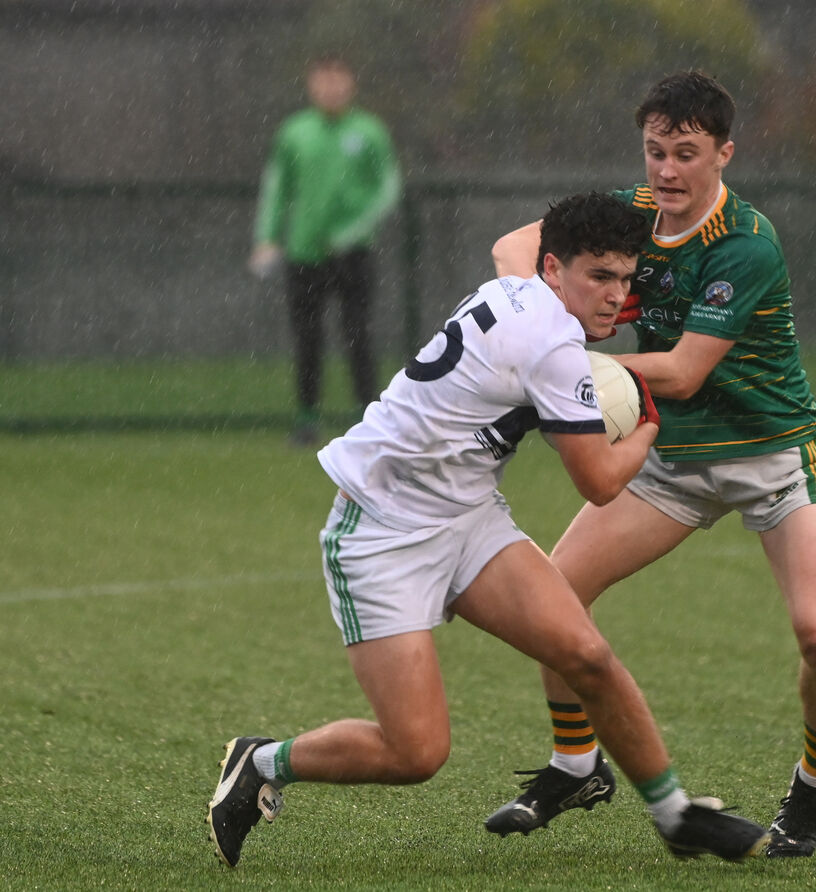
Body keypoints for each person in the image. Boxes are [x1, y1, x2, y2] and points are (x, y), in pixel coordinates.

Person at [207, 192, 770, 869]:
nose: (614, 298)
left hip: (466, 516)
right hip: (381, 532)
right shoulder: (552, 346)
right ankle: (262, 761)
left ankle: (676, 815)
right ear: (556, 269)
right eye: (600, 278)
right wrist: (646, 422)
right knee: (416, 753)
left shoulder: (520, 288)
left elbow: (513, 249)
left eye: (626, 279)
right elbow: (598, 483)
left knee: (585, 654)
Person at [485, 72, 816, 859]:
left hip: (774, 458)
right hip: (672, 462)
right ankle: (574, 764)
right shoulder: (636, 214)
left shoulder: (745, 243)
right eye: (656, 152)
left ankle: (813, 784)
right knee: (555, 599)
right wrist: (551, 319)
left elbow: (686, 371)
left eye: (686, 154)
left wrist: (575, 363)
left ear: (724, 153)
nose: (667, 171)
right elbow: (514, 249)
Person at [249, 54, 401, 446]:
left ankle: (368, 422)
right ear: (311, 85)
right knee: (307, 337)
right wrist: (267, 237)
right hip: (305, 254)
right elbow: (277, 188)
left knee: (357, 334)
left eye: (338, 80)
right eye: (323, 81)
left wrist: (351, 232)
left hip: (353, 256)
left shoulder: (369, 131)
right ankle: (306, 419)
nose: (331, 89)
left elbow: (386, 189)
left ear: (350, 84)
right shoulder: (294, 132)